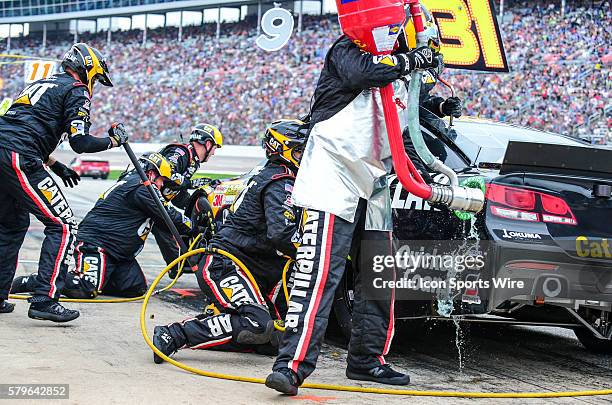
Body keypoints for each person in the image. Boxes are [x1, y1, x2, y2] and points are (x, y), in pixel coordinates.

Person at [264, 12, 439, 396]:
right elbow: (367, 73)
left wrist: (439, 108)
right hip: (333, 171)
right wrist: (412, 62)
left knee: (380, 277)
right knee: (318, 272)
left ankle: (366, 360)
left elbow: (408, 116)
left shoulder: (401, 71)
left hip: (374, 179)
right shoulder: (350, 48)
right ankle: (291, 365)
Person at [151, 119, 307, 361]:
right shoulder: (280, 180)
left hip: (246, 268)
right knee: (257, 324)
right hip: (225, 263)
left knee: (273, 340)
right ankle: (175, 334)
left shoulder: (274, 174)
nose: (303, 156)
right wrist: (313, 250)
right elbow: (282, 234)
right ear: (282, 148)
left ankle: (219, 323)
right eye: (299, 150)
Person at [0, 43, 127, 321]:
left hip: (8, 152)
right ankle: (44, 299)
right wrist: (113, 141)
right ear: (87, 69)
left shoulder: (40, 83)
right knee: (63, 225)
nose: (94, 85)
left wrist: (55, 165)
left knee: (11, 226)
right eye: (96, 78)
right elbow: (80, 142)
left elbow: (24, 126)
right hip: (20, 157)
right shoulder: (76, 89)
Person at [14, 153, 194, 298]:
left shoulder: (135, 185)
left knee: (134, 287)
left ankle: (99, 277)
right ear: (151, 174)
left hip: (120, 255)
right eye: (163, 180)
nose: (163, 185)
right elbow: (168, 216)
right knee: (85, 287)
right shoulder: (142, 187)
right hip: (97, 245)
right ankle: (35, 281)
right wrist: (193, 224)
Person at [148, 123, 223, 274]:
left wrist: (192, 203)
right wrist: (192, 183)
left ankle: (178, 264)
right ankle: (179, 263)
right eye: (215, 147)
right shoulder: (181, 152)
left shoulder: (191, 159)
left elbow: (174, 192)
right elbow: (167, 174)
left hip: (151, 201)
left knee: (168, 224)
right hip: (145, 198)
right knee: (175, 224)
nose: (214, 153)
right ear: (207, 143)